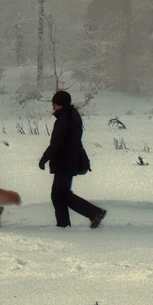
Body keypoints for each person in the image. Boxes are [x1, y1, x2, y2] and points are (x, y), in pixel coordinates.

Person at [38, 90, 107, 228]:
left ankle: (94, 212)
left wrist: (44, 158)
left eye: (55, 104)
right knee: (58, 194)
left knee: (62, 194)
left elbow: (57, 142)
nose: (53, 107)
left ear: (61, 105)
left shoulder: (63, 119)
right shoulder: (72, 116)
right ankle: (63, 224)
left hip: (64, 162)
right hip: (69, 161)